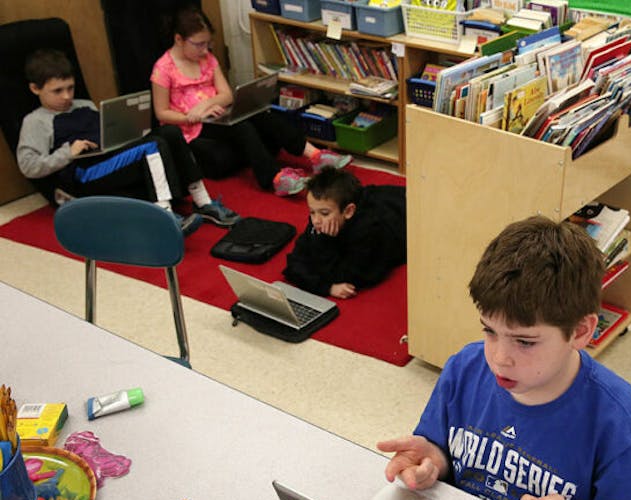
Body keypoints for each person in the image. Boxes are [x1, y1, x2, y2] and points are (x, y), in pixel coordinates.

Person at [377, 216, 631, 500]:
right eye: (489, 331)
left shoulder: (623, 422)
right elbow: (440, 453)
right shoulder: (464, 368)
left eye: (524, 342)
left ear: (581, 331)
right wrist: (430, 464)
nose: (499, 358)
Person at [16, 48, 238, 232]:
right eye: (57, 91)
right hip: (84, 172)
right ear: (35, 89)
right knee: (153, 146)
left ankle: (204, 203)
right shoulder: (36, 122)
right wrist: (67, 153)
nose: (66, 96)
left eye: (70, 88)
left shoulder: (85, 105)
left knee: (170, 132)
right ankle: (165, 215)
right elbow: (28, 166)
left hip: (109, 156)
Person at [150, 7, 350, 197]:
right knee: (242, 127)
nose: (204, 49)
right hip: (192, 126)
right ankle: (274, 178)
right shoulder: (163, 68)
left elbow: (226, 94)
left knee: (261, 115)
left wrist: (205, 105)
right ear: (179, 39)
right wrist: (190, 116)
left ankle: (315, 155)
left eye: (207, 43)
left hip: (217, 114)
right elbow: (161, 113)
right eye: (198, 44)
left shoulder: (207, 59)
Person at [282, 167, 405, 299]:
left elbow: (347, 277)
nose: (316, 221)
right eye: (312, 212)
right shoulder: (320, 221)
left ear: (348, 211)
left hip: (410, 211)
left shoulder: (369, 230)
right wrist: (328, 287)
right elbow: (293, 265)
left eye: (324, 213)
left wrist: (324, 243)